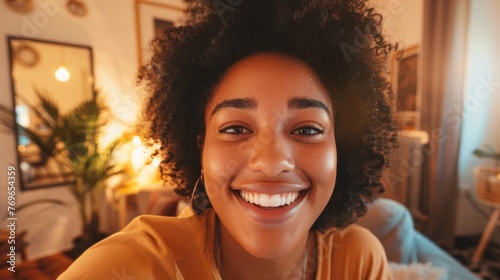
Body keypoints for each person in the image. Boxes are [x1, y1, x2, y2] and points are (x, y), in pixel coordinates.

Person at [59, 0, 399, 279]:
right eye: (235, 128)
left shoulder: (358, 261)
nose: (270, 162)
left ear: (341, 149)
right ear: (200, 147)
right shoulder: (132, 268)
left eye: (308, 129)